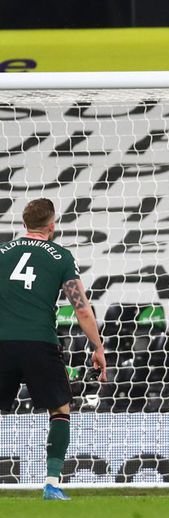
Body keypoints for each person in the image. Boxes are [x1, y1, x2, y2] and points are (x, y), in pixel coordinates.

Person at [0, 199, 105, 500]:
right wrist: (97, 347)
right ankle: (51, 484)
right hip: (39, 342)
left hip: (2, 342)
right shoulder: (61, 256)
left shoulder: (2, 253)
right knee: (60, 410)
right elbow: (81, 309)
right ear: (52, 226)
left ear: (23, 225)